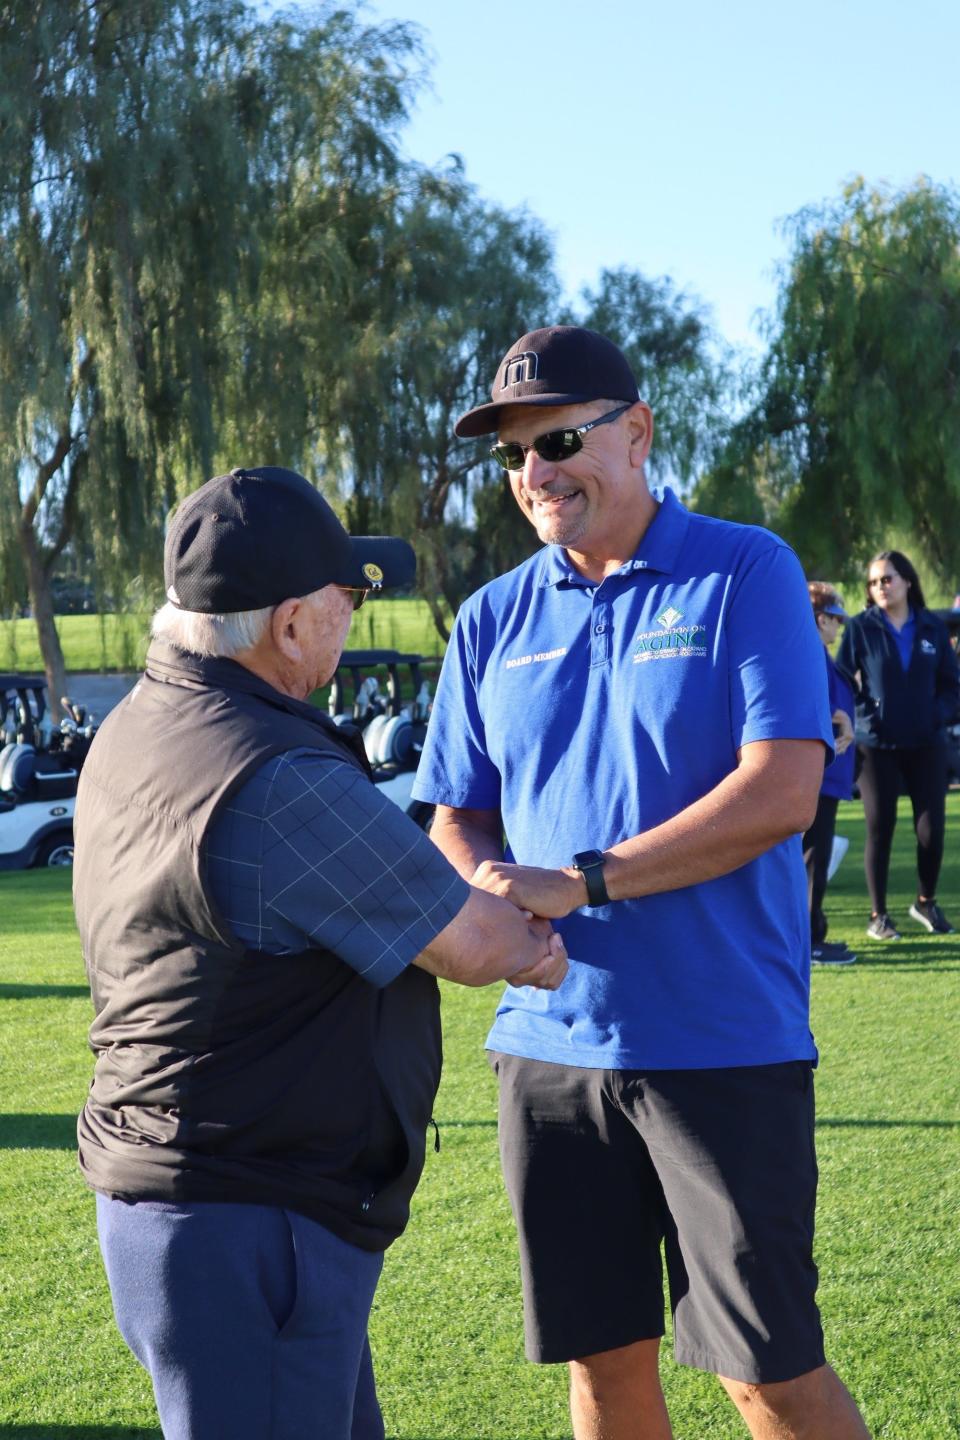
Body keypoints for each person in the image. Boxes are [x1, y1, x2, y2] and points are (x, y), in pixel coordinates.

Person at [412, 326, 872, 1440]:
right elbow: (453, 816)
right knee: (601, 1373)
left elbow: (781, 793)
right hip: (548, 1049)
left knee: (769, 1375)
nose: (536, 474)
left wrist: (584, 881)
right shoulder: (490, 618)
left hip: (722, 1044)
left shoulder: (744, 569)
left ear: (638, 434)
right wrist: (487, 899)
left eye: (559, 440)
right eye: (514, 454)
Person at [72, 466, 567, 1440]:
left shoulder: (138, 725)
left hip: (177, 1195)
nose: (356, 613)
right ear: (292, 625)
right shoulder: (274, 774)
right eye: (349, 597)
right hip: (248, 1213)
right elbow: (469, 941)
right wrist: (542, 917)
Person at [837, 549, 960, 941]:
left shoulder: (932, 628)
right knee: (880, 826)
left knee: (931, 831)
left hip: (927, 744)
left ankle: (926, 902)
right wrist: (865, 717)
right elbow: (842, 681)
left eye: (887, 579)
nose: (880, 587)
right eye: (873, 582)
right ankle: (879, 916)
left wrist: (934, 714)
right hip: (876, 746)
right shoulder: (860, 628)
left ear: (907, 581)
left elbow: (951, 685)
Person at [804, 582, 857, 965]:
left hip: (828, 776)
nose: (839, 626)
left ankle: (814, 933)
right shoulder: (808, 654)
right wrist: (837, 719)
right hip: (817, 776)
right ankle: (809, 942)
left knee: (816, 858)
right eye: (836, 618)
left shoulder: (819, 654)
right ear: (821, 618)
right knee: (811, 860)